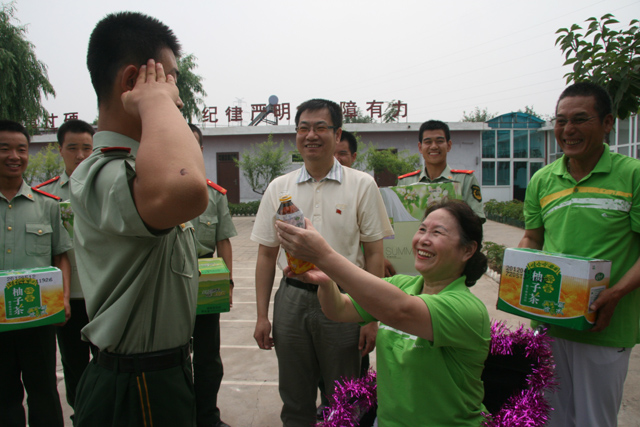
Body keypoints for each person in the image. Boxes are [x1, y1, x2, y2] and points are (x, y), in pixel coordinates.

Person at [69, 12, 208, 427]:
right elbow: (186, 190)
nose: (178, 96)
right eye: (169, 81)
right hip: (136, 386)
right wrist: (155, 101)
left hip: (159, 375)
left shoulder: (140, 168)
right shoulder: (105, 174)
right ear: (132, 82)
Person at [275, 199, 491, 427]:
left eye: (438, 233)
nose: (424, 240)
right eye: (422, 229)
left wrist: (324, 255)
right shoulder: (401, 285)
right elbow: (339, 309)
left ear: (467, 250)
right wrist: (327, 281)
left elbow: (400, 311)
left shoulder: (467, 308)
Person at [251, 98, 393, 426]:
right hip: (292, 299)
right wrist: (261, 316)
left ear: (337, 133)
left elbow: (374, 254)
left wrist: (372, 317)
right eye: (303, 128)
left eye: (320, 127)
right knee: (295, 395)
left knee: (345, 397)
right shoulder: (278, 188)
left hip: (346, 298)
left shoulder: (362, 185)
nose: (311, 135)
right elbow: (266, 254)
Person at [518, 82, 640, 427]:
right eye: (560, 121)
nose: (568, 130)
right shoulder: (543, 180)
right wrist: (520, 271)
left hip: (604, 327)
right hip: (549, 323)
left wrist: (614, 294)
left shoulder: (632, 176)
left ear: (607, 123)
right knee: (549, 416)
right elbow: (532, 237)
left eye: (580, 119)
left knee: (593, 420)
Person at [0, 119, 73, 427]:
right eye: (4, 148)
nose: (14, 156)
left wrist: (65, 297)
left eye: (21, 149)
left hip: (39, 316)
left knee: (43, 390)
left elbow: (61, 254)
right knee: (3, 395)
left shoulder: (48, 205)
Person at [35, 118, 94, 415]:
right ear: (60, 150)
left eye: (87, 148)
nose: (81, 155)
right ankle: (81, 414)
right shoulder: (44, 197)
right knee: (74, 363)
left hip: (104, 295)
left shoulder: (104, 190)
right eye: (73, 148)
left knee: (110, 361)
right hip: (67, 298)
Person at [189, 123, 236, 427]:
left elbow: (223, 242)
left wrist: (228, 283)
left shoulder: (214, 195)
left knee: (207, 357)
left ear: (201, 149)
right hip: (167, 283)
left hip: (206, 279)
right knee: (170, 356)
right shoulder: (152, 189)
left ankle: (207, 416)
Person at [397, 120, 485, 221]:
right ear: (420, 147)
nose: (434, 146)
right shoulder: (406, 182)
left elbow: (477, 221)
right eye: (428, 142)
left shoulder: (465, 180)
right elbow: (399, 220)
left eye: (439, 141)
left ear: (449, 145)